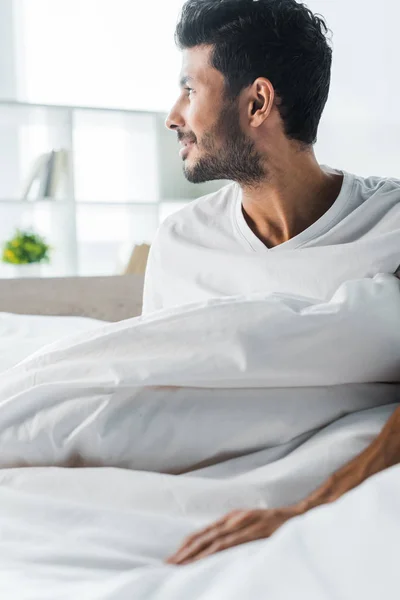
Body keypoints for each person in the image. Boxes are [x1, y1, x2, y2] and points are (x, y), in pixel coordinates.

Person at [143, 0, 400, 564]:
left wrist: (309, 508)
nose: (172, 115)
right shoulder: (179, 242)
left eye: (190, 89)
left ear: (256, 102)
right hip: (188, 502)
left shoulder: (393, 224)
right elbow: (148, 390)